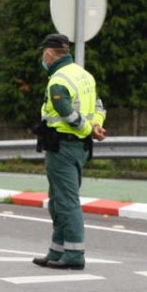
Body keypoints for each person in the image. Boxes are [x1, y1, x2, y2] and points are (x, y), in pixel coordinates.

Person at [32, 34, 107, 271]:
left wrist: (87, 129)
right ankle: (57, 250)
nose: (43, 58)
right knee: (58, 199)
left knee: (66, 201)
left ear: (50, 54)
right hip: (78, 147)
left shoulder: (59, 80)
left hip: (63, 146)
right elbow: (98, 105)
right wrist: (96, 125)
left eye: (44, 53)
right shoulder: (83, 75)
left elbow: (65, 111)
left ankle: (74, 253)